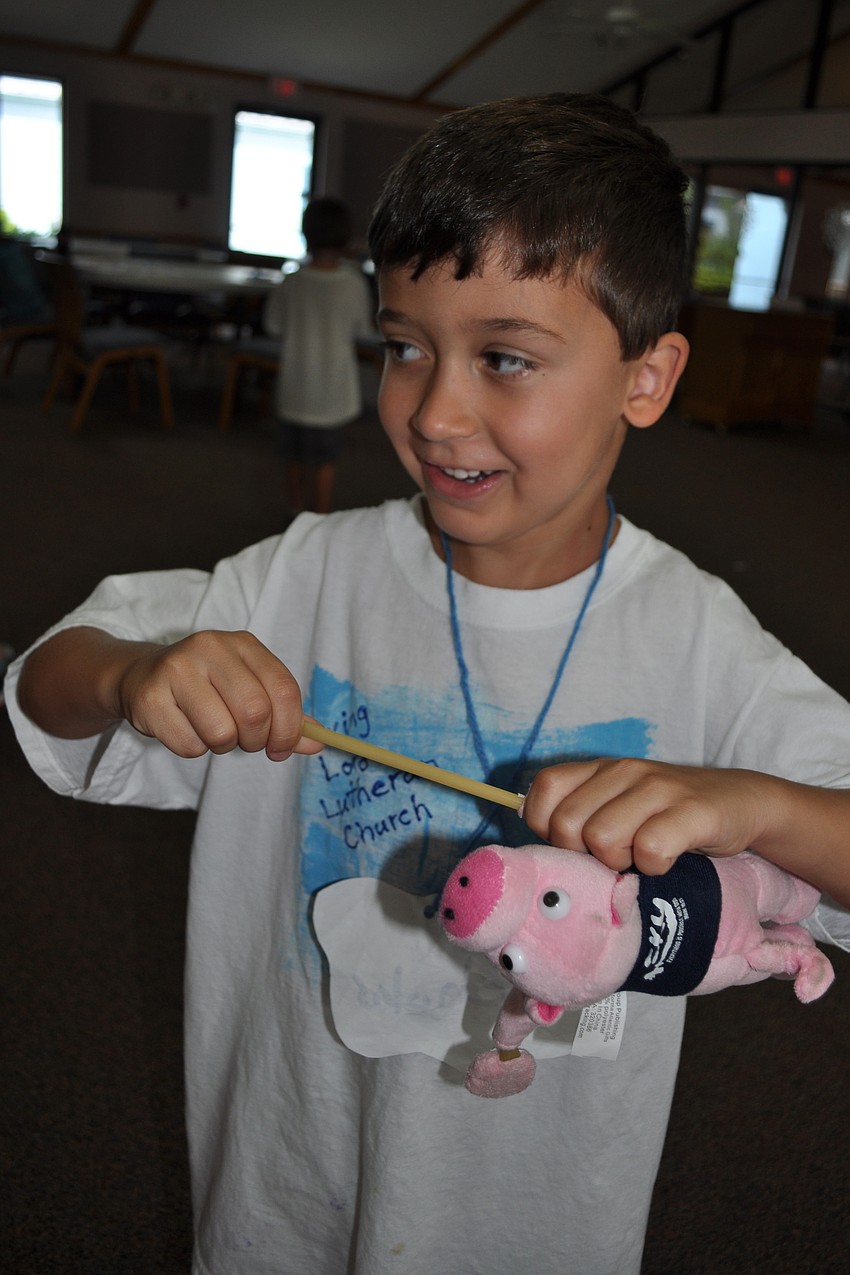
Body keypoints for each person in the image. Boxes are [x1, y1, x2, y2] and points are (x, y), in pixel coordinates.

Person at [6, 94, 850, 1275]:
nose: (434, 411)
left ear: (646, 379)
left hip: (536, 1215)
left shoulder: (703, 641)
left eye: (505, 356)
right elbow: (48, 681)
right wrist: (138, 672)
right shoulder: (298, 579)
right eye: (406, 346)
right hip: (285, 1174)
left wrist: (757, 807)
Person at [263, 196, 374, 515]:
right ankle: (320, 516)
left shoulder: (292, 281)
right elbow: (362, 331)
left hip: (295, 387)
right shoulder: (353, 284)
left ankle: (296, 511)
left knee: (292, 455)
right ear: (346, 237)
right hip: (332, 392)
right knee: (325, 459)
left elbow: (273, 325)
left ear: (305, 234)